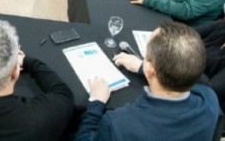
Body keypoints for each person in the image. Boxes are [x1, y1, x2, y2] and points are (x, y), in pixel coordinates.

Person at [77, 21, 219, 141]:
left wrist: (96, 103)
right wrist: (141, 68)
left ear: (151, 69)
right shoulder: (210, 99)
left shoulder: (117, 124)